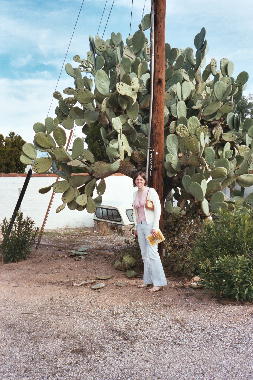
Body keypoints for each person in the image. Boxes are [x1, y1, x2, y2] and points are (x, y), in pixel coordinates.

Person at [132, 171, 167, 292]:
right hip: (140, 226)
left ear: (145, 181)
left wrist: (155, 227)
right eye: (137, 179)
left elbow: (157, 209)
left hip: (151, 226)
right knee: (144, 255)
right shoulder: (135, 193)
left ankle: (159, 283)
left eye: (141, 179)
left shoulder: (151, 191)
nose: (139, 181)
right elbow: (135, 212)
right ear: (135, 181)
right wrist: (136, 226)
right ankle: (147, 281)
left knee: (153, 253)